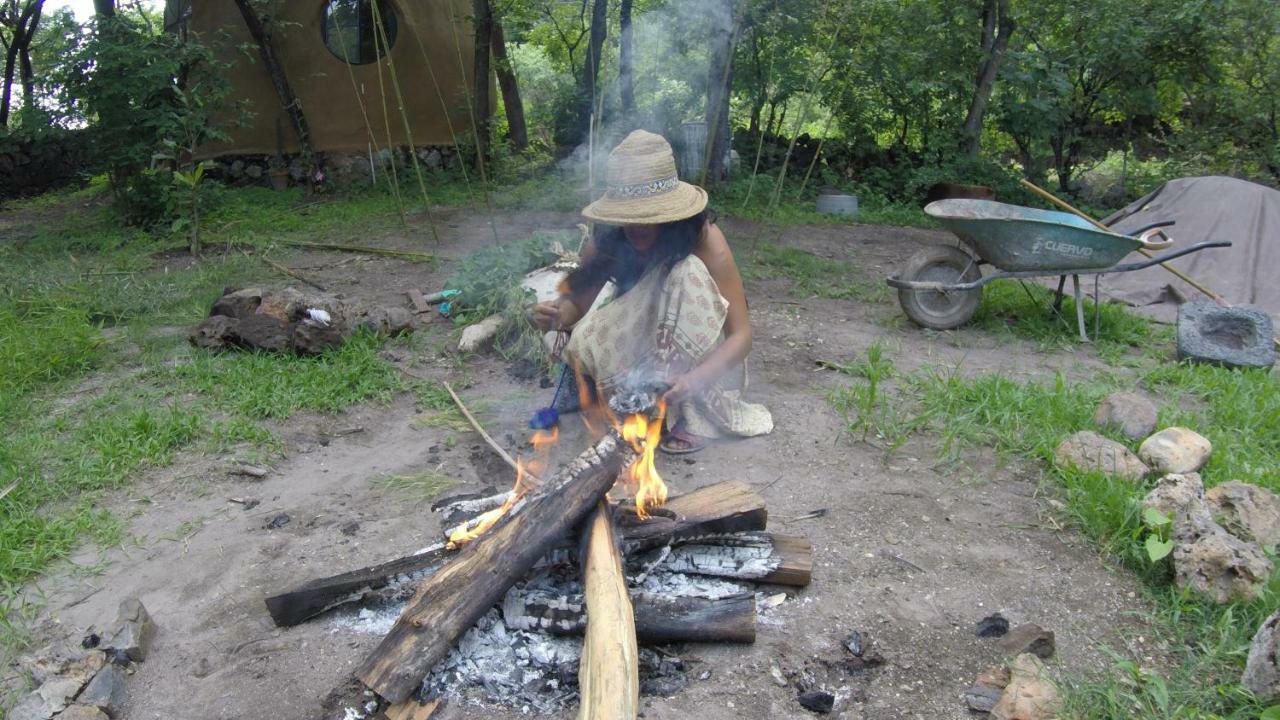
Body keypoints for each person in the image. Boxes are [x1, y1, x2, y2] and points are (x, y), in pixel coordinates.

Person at [530, 130, 772, 453]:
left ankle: (690, 415)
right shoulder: (608, 238)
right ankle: (638, 403)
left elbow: (742, 337)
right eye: (629, 217)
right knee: (585, 335)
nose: (637, 226)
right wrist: (555, 315)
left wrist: (695, 379)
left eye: (648, 215)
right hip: (644, 351)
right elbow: (577, 304)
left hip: (703, 356)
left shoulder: (704, 239)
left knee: (686, 272)